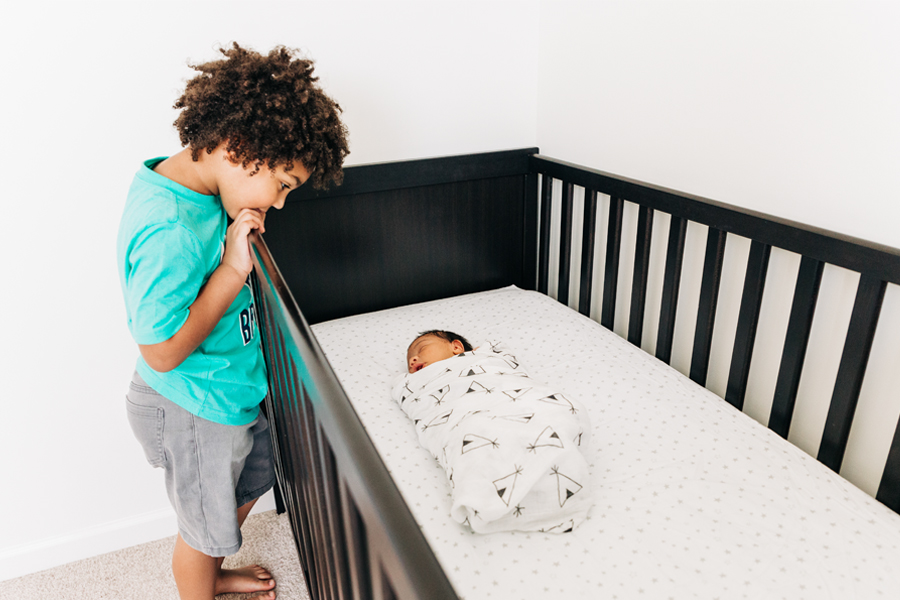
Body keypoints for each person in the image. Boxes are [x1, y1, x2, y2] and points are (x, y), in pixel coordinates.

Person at [117, 43, 349, 600]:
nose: (284, 203)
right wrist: (229, 270)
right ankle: (200, 583)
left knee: (249, 479)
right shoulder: (170, 228)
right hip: (190, 404)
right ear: (238, 148)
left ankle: (213, 568)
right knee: (202, 529)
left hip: (225, 396)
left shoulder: (202, 191)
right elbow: (162, 352)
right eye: (284, 184)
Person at [406, 330, 473, 373]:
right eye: (409, 359)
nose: (411, 360)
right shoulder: (408, 383)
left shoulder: (476, 358)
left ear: (456, 347)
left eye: (422, 349)